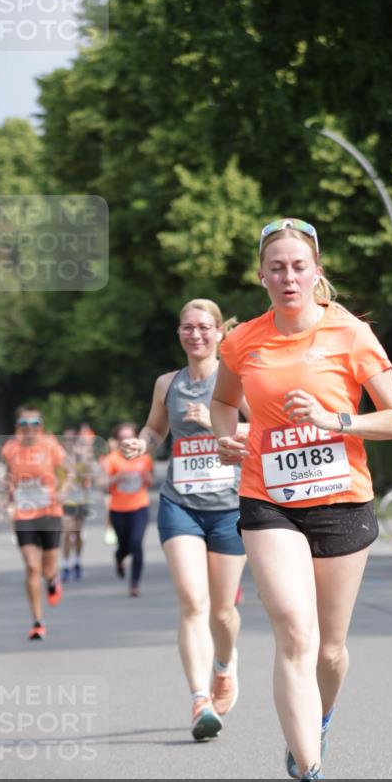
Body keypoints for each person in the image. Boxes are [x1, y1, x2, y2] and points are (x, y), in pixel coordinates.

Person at [210, 218, 392, 782]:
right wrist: (225, 438)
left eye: (299, 266)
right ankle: (311, 776)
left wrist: (335, 421)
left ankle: (315, 725)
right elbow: (222, 403)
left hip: (341, 499)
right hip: (267, 497)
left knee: (330, 648)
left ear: (316, 270)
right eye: (277, 267)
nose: (288, 276)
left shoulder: (351, 334)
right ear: (261, 275)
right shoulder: (243, 340)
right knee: (294, 632)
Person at [121, 300, 247, 741]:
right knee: (193, 602)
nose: (195, 335)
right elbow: (154, 429)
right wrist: (143, 444)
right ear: (180, 334)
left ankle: (224, 667)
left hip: (230, 505)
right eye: (187, 328)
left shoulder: (234, 379)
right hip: (181, 502)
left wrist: (216, 427)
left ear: (218, 333)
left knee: (224, 609)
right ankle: (199, 699)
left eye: (204, 328)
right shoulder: (166, 384)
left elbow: (266, 430)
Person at [1, 406, 68, 640]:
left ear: (42, 426)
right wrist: (8, 487)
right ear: (18, 427)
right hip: (24, 513)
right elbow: (9, 475)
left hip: (50, 511)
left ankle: (53, 580)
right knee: (31, 566)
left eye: (35, 424)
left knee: (48, 568)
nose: (29, 429)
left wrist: (63, 490)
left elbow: (67, 472)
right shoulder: (10, 449)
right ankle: (38, 621)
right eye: (24, 424)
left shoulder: (50, 446)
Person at [101, 423, 153, 597]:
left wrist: (147, 477)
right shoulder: (112, 459)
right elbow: (101, 484)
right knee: (125, 545)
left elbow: (150, 481)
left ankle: (134, 583)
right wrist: (116, 478)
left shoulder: (144, 457)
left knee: (136, 544)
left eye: (130, 437)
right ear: (117, 441)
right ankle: (119, 557)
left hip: (139, 506)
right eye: (122, 438)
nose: (126, 441)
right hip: (118, 508)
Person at [60, 427, 93, 581]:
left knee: (78, 533)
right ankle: (66, 565)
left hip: (80, 499)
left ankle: (77, 561)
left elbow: (89, 476)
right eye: (67, 439)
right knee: (67, 532)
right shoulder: (59, 458)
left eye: (72, 440)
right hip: (65, 500)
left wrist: (83, 459)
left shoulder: (82, 458)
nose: (70, 443)